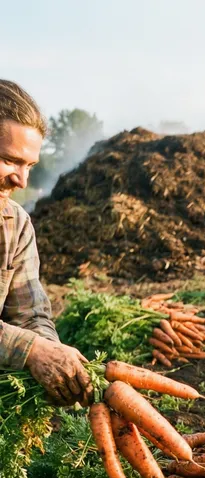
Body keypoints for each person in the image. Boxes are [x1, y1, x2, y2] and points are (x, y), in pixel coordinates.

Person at [0, 80, 91, 406]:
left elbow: (30, 314)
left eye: (29, 166)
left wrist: (53, 353)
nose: (22, 180)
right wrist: (31, 350)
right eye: (10, 160)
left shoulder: (16, 224)